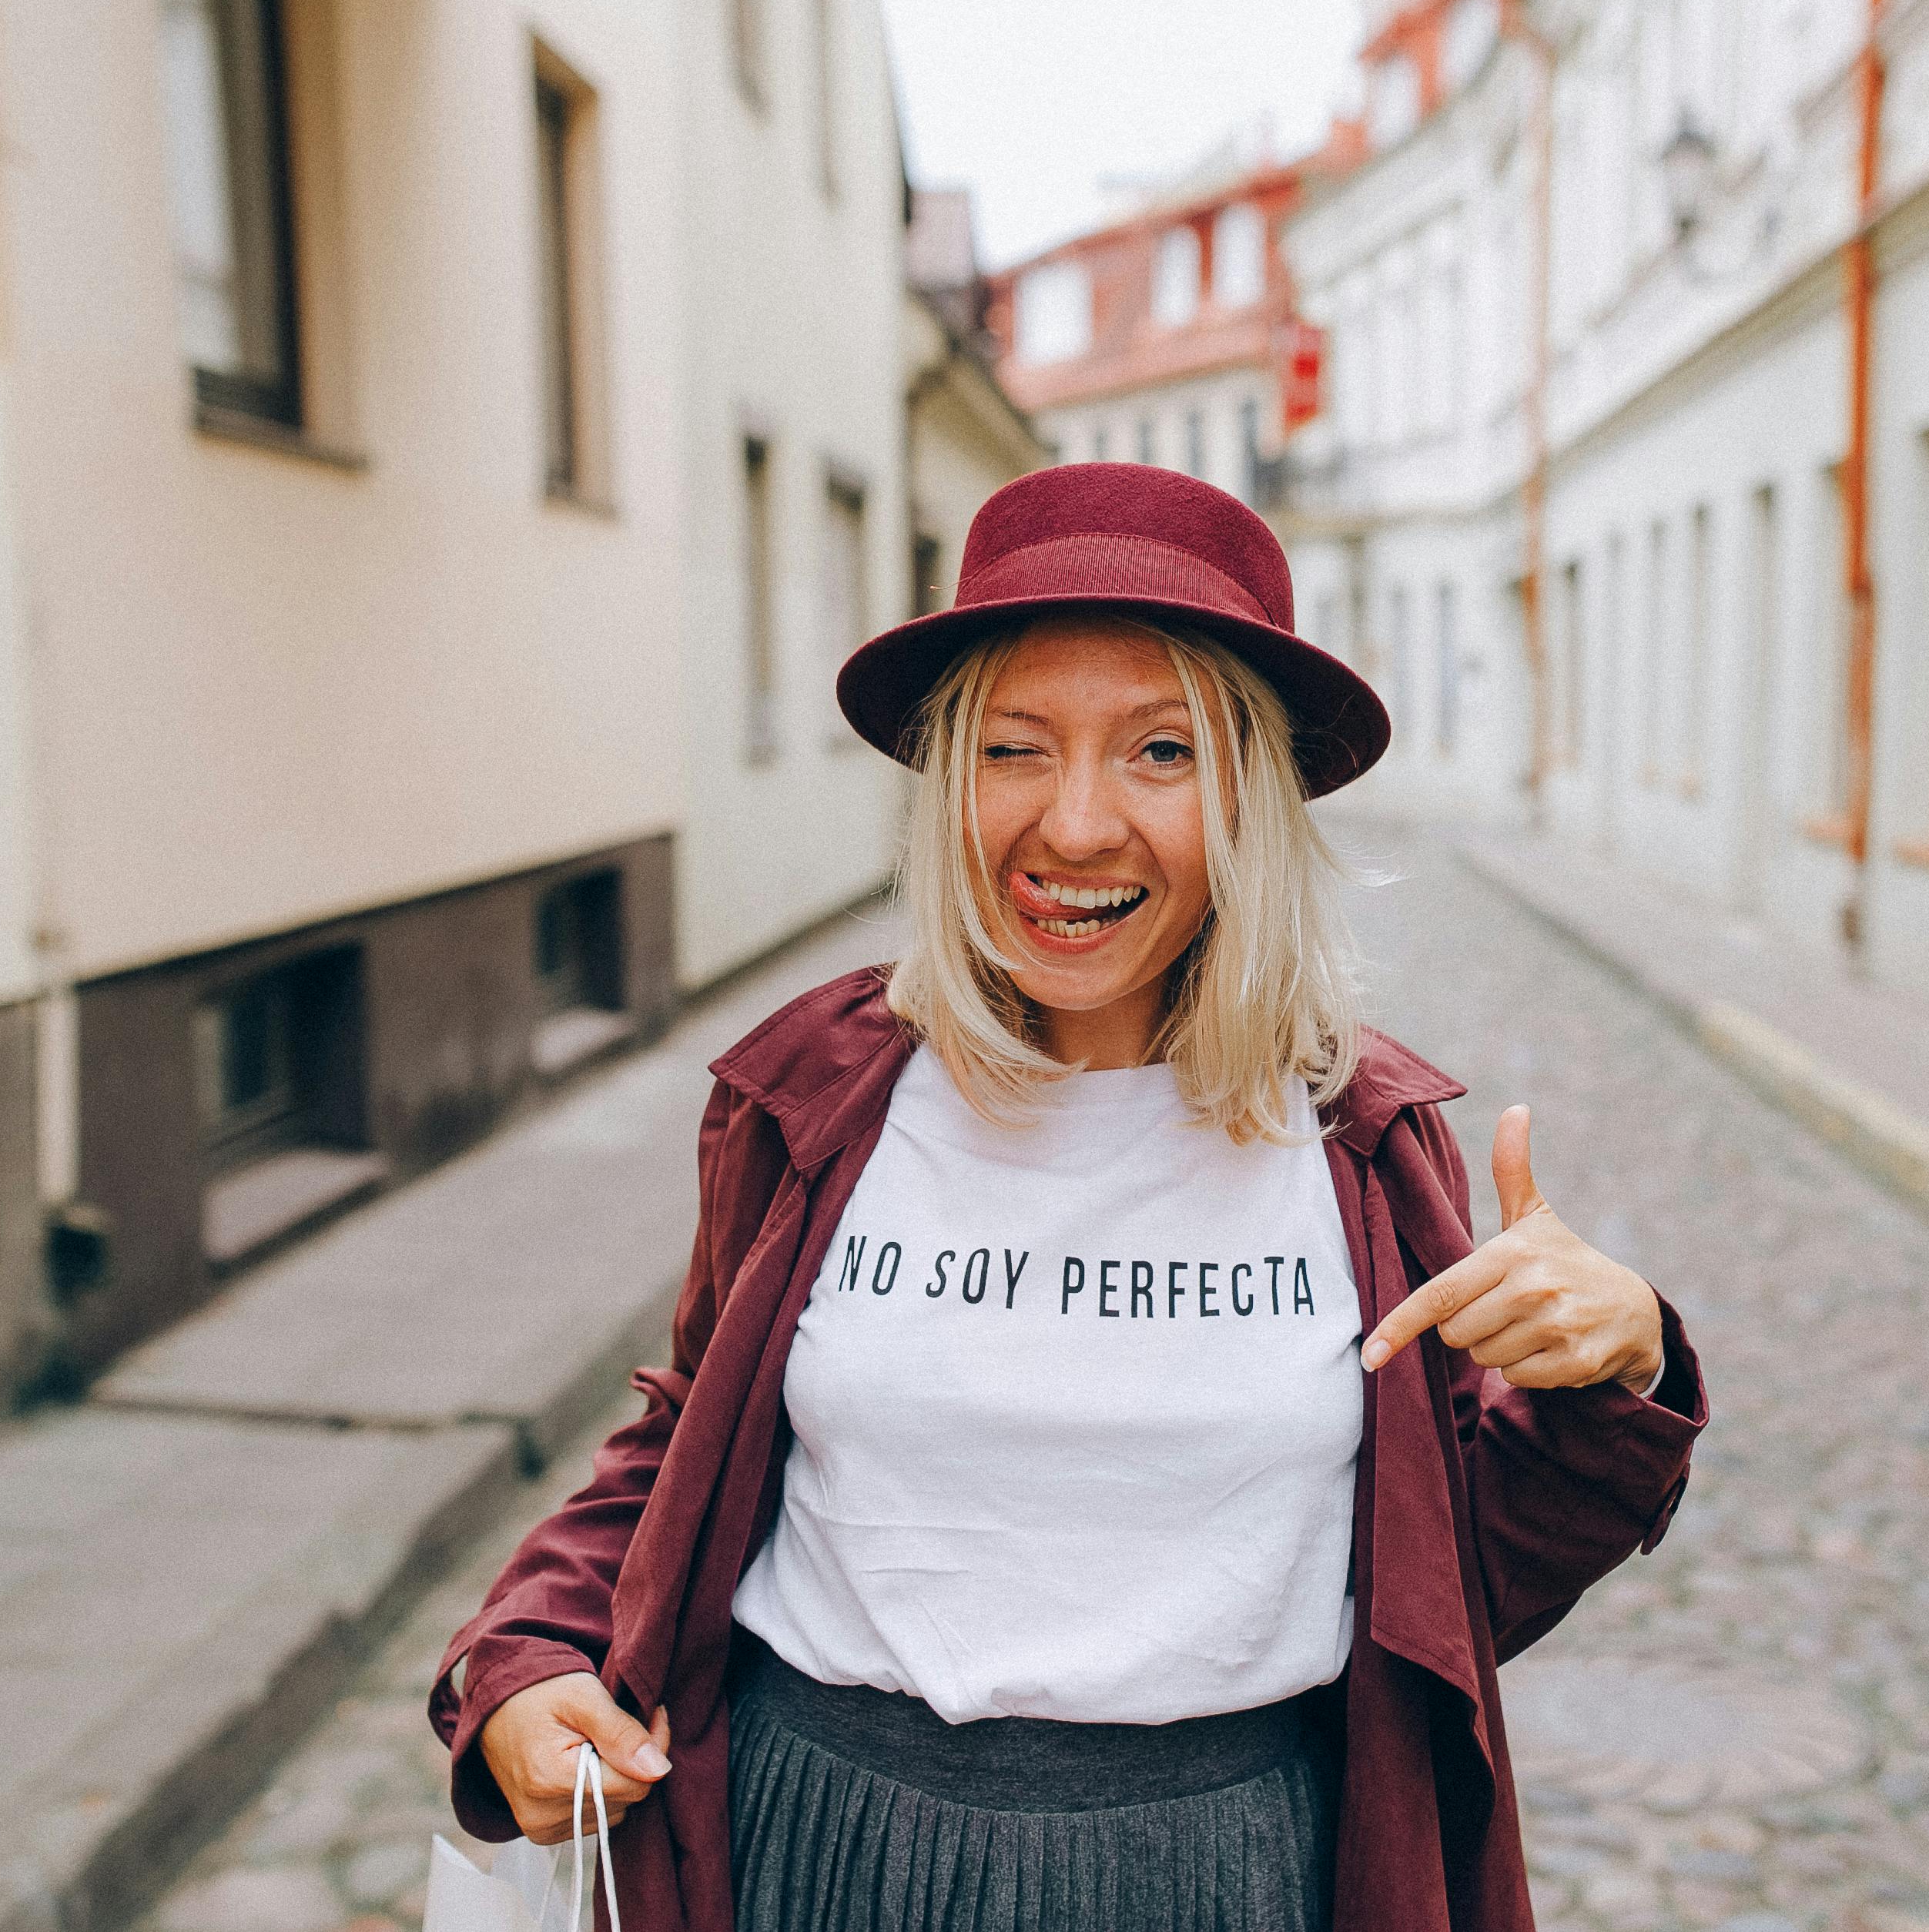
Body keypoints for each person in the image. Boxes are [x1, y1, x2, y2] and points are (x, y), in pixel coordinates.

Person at [427, 462, 1708, 1931]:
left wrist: (1623, 1367)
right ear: (952, 777)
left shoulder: (1356, 1146)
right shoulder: (815, 1105)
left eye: (1161, 752)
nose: (1079, 826)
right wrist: (528, 1653)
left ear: (1248, 794)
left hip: (1229, 1874)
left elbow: (1458, 1573)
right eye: (1017, 750)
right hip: (821, 1854)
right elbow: (682, 1445)